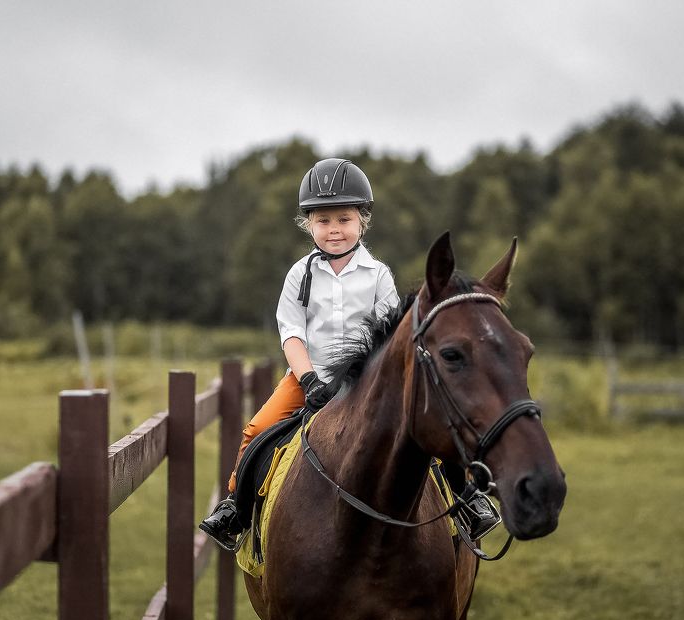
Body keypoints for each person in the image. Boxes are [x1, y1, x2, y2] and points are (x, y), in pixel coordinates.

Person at [199, 158, 498, 551]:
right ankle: (235, 509)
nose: (334, 230)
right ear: (309, 225)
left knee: (425, 429)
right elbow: (291, 333)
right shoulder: (298, 275)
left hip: (368, 383)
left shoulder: (377, 275)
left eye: (343, 219)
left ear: (362, 221)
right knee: (258, 430)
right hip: (309, 377)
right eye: (323, 221)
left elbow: (393, 336)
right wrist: (308, 380)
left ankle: (467, 500)